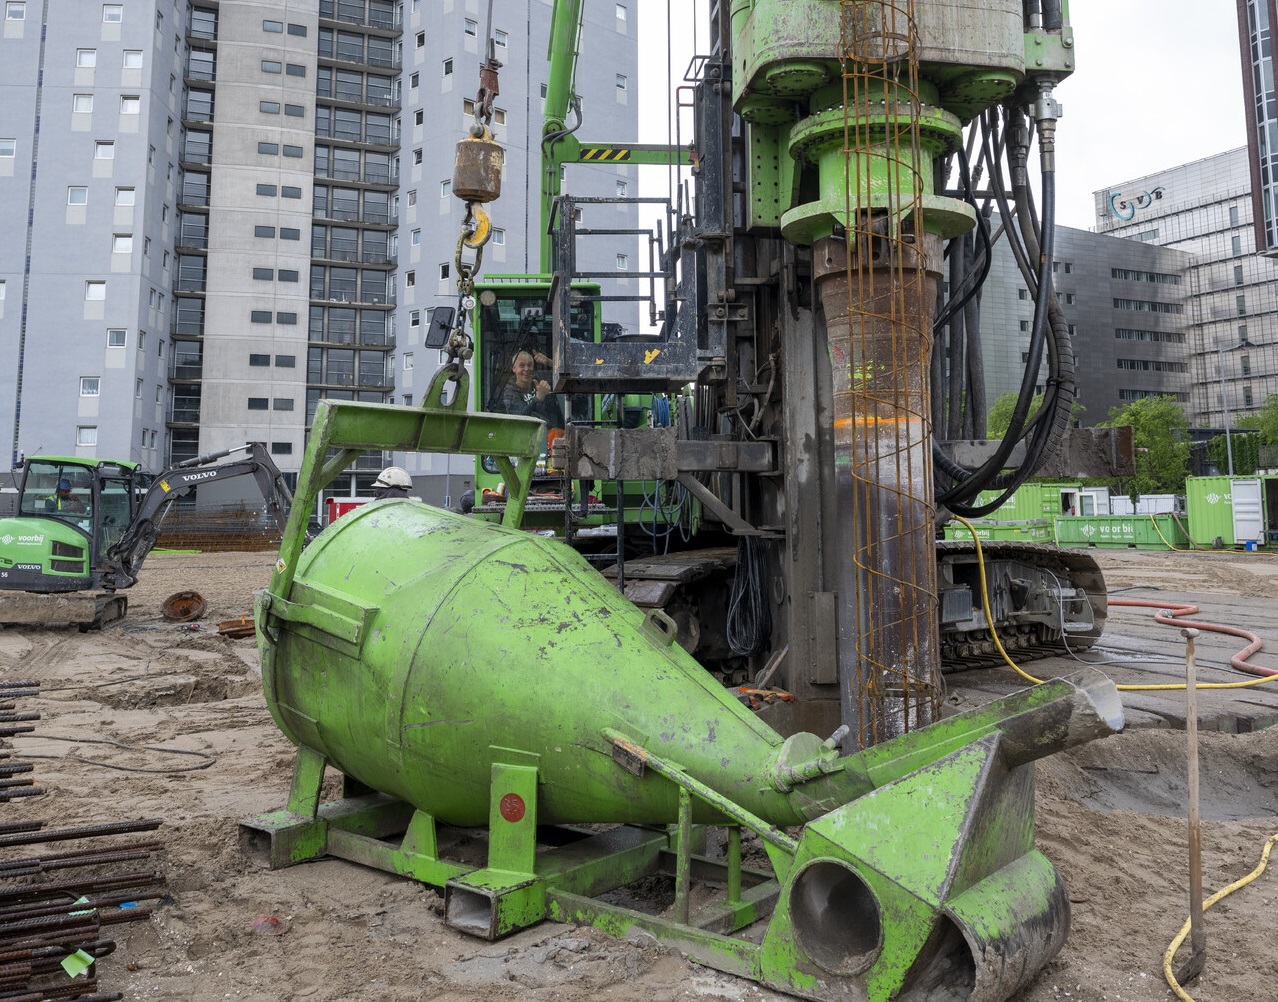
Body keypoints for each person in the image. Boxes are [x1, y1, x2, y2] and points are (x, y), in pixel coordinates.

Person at [492, 350, 563, 428]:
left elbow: (564, 374)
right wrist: (538, 398)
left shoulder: (539, 377)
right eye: (522, 366)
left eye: (529, 365)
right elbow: (521, 418)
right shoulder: (510, 393)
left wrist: (549, 362)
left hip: (554, 431)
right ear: (514, 369)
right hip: (529, 435)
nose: (526, 369)